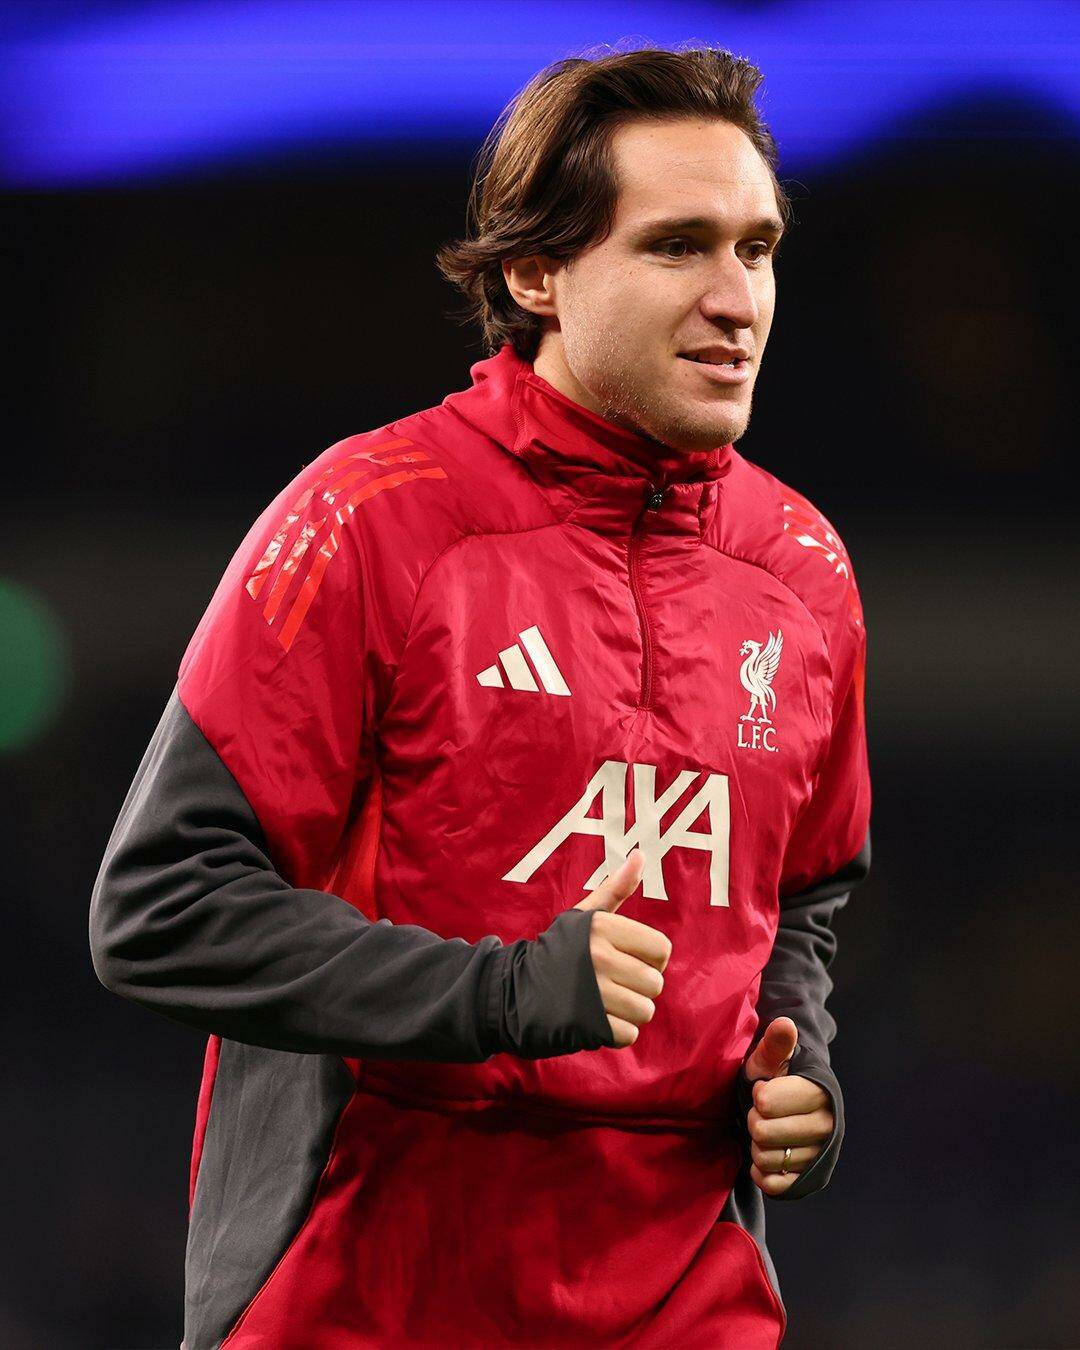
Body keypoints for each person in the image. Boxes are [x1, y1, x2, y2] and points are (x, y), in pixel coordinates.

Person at [90, 44, 870, 1350]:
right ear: (536, 274)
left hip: (687, 1298)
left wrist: (801, 1067)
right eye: (677, 247)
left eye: (758, 248)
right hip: (370, 1293)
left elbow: (800, 899)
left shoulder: (804, 571)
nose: (737, 299)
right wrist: (500, 992)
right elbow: (160, 908)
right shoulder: (369, 522)